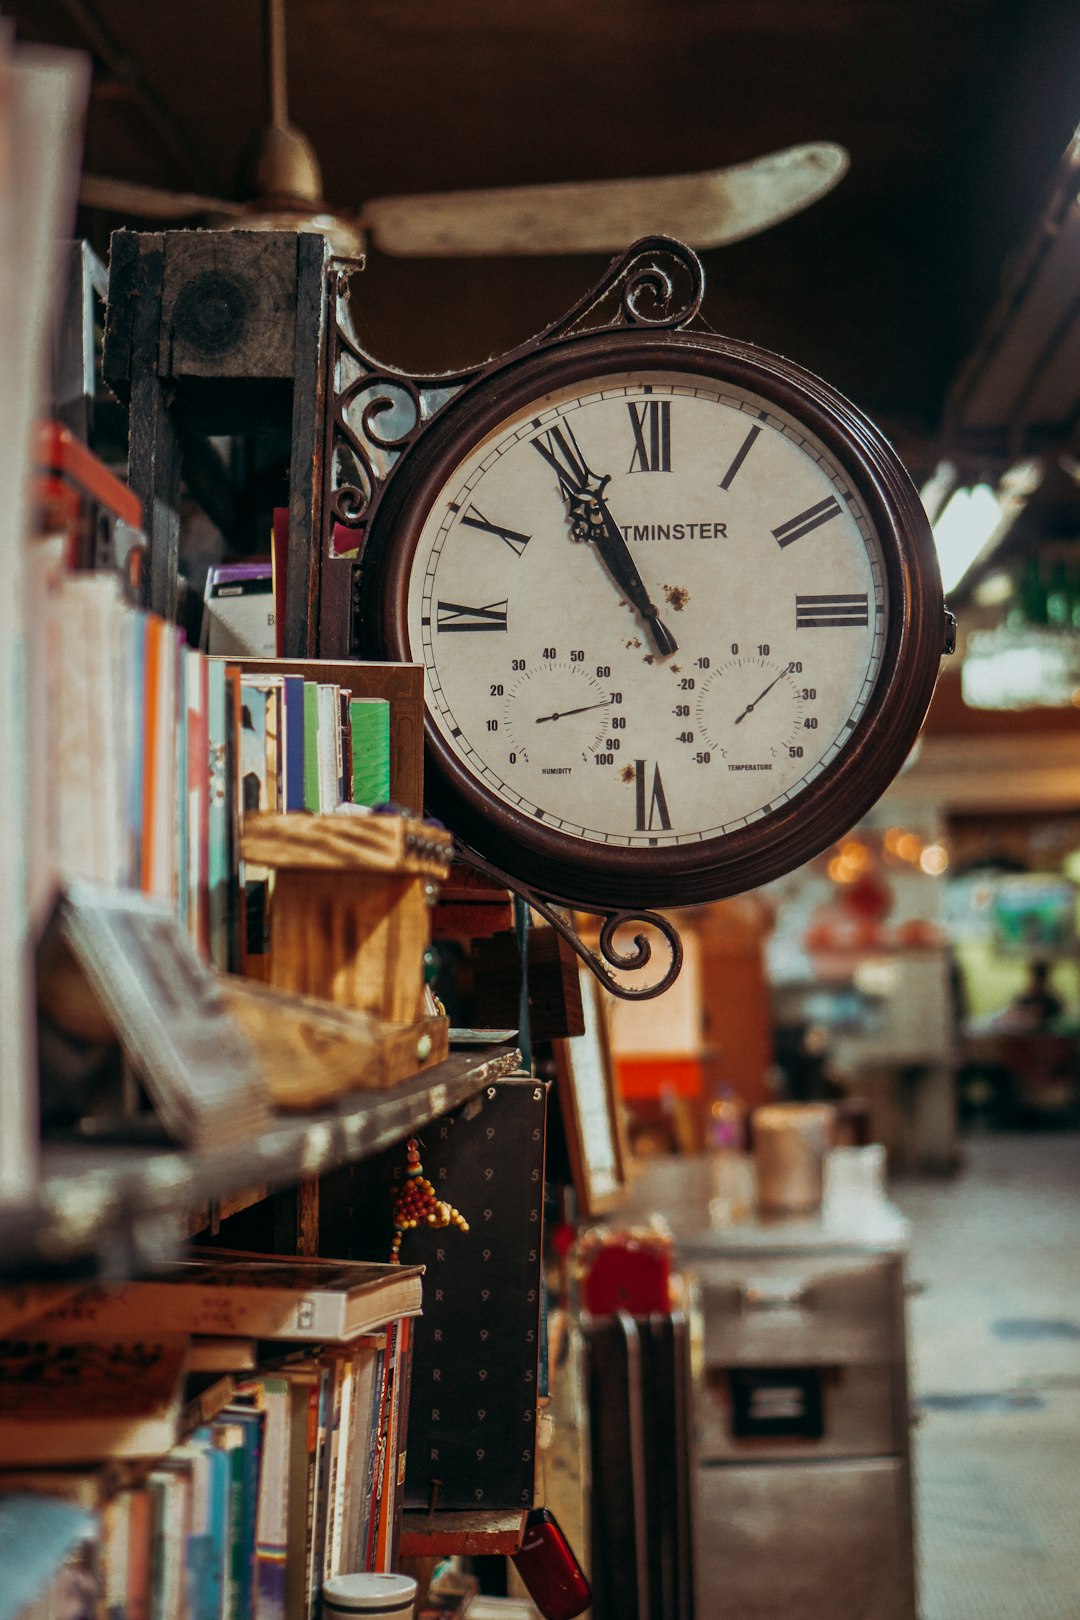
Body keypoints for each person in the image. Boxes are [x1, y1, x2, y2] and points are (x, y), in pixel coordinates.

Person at [1004, 958, 1064, 1030]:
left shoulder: (1053, 1002)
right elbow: (1011, 1020)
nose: (1032, 983)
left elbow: (1058, 1025)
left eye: (1037, 980)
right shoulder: (1022, 999)